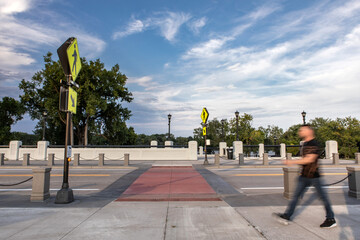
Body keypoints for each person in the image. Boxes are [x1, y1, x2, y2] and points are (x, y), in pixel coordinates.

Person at [273, 124, 336, 228]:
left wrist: (291, 162)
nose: (300, 132)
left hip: (314, 176)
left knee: (323, 198)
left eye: (302, 130)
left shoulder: (313, 143)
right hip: (304, 176)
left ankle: (330, 219)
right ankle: (287, 215)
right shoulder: (305, 143)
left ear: (309, 131)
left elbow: (310, 159)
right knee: (295, 196)